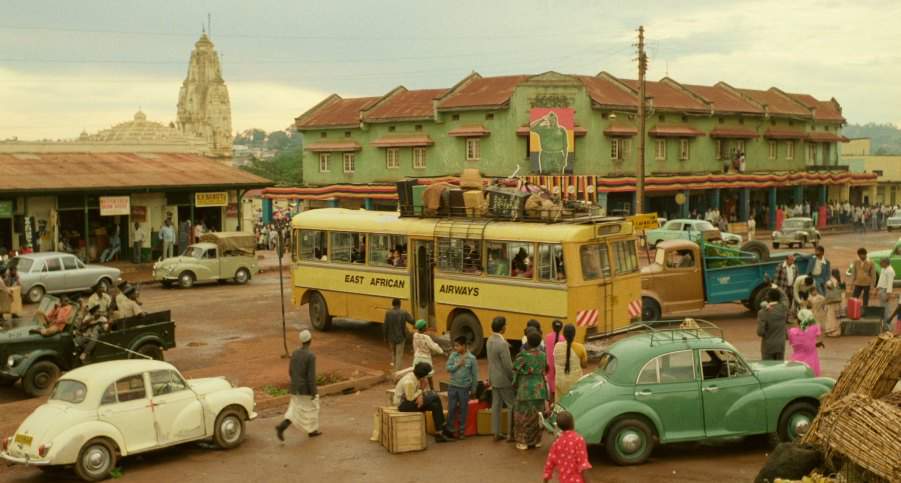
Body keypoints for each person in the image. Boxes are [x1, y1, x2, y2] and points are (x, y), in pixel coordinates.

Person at [275, 330, 322, 441]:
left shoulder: (295, 353)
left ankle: (282, 427)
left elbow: (290, 371)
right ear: (310, 341)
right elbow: (311, 377)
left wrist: (295, 383)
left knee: (294, 410)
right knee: (312, 409)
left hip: (295, 387)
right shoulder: (311, 356)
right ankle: (312, 431)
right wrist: (314, 392)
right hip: (305, 389)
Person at [395, 362, 450, 443]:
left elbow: (415, 393)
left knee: (435, 405)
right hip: (403, 405)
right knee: (434, 396)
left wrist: (420, 394)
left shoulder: (415, 376)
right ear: (423, 375)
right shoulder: (409, 381)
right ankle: (443, 426)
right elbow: (410, 398)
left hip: (411, 401)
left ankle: (439, 432)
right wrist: (421, 391)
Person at [512, 329, 548, 451]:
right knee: (537, 415)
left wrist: (515, 384)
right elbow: (546, 369)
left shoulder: (523, 356)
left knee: (523, 416)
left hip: (526, 389)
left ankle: (523, 442)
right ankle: (536, 440)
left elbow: (515, 369)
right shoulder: (543, 355)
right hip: (540, 389)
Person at [487, 316, 515, 442]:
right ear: (503, 327)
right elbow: (508, 365)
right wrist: (512, 378)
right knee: (511, 405)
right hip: (504, 379)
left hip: (494, 377)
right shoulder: (502, 344)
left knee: (496, 405)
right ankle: (510, 433)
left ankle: (496, 432)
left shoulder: (489, 340)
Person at [543, 411, 591, 483]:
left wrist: (545, 480)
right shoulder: (579, 440)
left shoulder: (557, 443)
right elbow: (583, 464)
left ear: (559, 426)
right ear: (573, 423)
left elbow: (549, 463)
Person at [445, 335, 479, 439]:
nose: (456, 348)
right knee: (451, 409)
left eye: (458, 346)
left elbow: (475, 375)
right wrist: (458, 365)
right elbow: (448, 368)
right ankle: (450, 430)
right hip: (452, 387)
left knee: (464, 410)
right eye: (455, 346)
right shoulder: (453, 356)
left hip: (464, 388)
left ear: (464, 346)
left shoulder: (472, 358)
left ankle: (462, 431)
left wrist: (474, 389)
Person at [788, 309, 824, 376]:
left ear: (798, 320)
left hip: (796, 362)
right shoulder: (815, 328)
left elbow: (796, 343)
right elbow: (813, 338)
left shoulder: (792, 332)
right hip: (811, 363)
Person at [554, 324, 583, 403]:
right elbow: (584, 365)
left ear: (563, 334)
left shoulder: (557, 346)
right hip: (575, 383)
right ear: (574, 334)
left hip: (560, 382)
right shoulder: (580, 347)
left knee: (560, 404)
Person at [411, 319, 444, 389]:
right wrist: (441, 351)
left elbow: (414, 346)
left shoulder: (415, 335)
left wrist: (416, 354)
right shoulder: (426, 337)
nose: (426, 327)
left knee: (418, 376)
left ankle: (418, 390)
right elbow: (433, 346)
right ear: (423, 328)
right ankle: (432, 390)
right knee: (429, 376)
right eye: (425, 326)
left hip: (417, 358)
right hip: (426, 359)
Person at [383, 298, 414, 371]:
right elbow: (412, 321)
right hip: (401, 338)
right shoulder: (403, 312)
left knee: (394, 354)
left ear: (392, 304)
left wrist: (385, 337)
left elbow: (385, 326)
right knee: (399, 355)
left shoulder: (388, 313)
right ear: (400, 304)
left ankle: (394, 369)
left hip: (391, 338)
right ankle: (397, 372)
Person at [757, 289, 788, 360]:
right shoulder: (783, 308)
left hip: (768, 346)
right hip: (780, 344)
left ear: (768, 298)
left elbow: (760, 332)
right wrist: (777, 287)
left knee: (768, 368)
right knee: (779, 367)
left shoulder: (762, 312)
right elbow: (785, 297)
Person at [544, 320, 563, 402]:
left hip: (549, 369)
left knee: (551, 394)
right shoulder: (563, 338)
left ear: (552, 327)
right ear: (561, 328)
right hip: (559, 368)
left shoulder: (547, 337)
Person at [876, 258, 896, 331]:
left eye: (881, 263)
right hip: (881, 290)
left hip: (885, 291)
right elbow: (881, 280)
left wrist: (888, 294)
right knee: (883, 309)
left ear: (885, 263)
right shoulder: (883, 269)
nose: (880, 264)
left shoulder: (890, 271)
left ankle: (888, 327)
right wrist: (877, 289)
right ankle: (884, 326)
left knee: (886, 309)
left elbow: (890, 283)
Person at [823, 269, 843, 337]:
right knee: (836, 317)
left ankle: (830, 332)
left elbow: (828, 289)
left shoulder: (829, 281)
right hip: (837, 302)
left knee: (830, 316)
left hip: (830, 302)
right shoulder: (839, 282)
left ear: (832, 274)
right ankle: (836, 332)